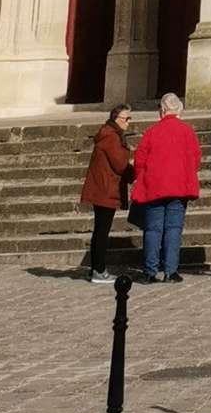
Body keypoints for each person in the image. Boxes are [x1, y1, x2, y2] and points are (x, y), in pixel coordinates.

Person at [131, 90, 202, 283]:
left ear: (162, 110)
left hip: (154, 186)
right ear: (179, 110)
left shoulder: (152, 132)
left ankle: (150, 271)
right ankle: (171, 271)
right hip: (179, 187)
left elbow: (140, 160)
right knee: (173, 228)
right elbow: (195, 159)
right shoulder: (187, 131)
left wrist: (141, 177)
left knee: (152, 229)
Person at [79, 103, 136, 282]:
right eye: (126, 118)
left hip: (103, 188)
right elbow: (120, 164)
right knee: (102, 231)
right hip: (105, 189)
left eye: (130, 118)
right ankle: (99, 270)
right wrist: (135, 168)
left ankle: (96, 269)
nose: (128, 122)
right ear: (116, 119)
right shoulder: (111, 137)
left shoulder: (109, 134)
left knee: (100, 230)